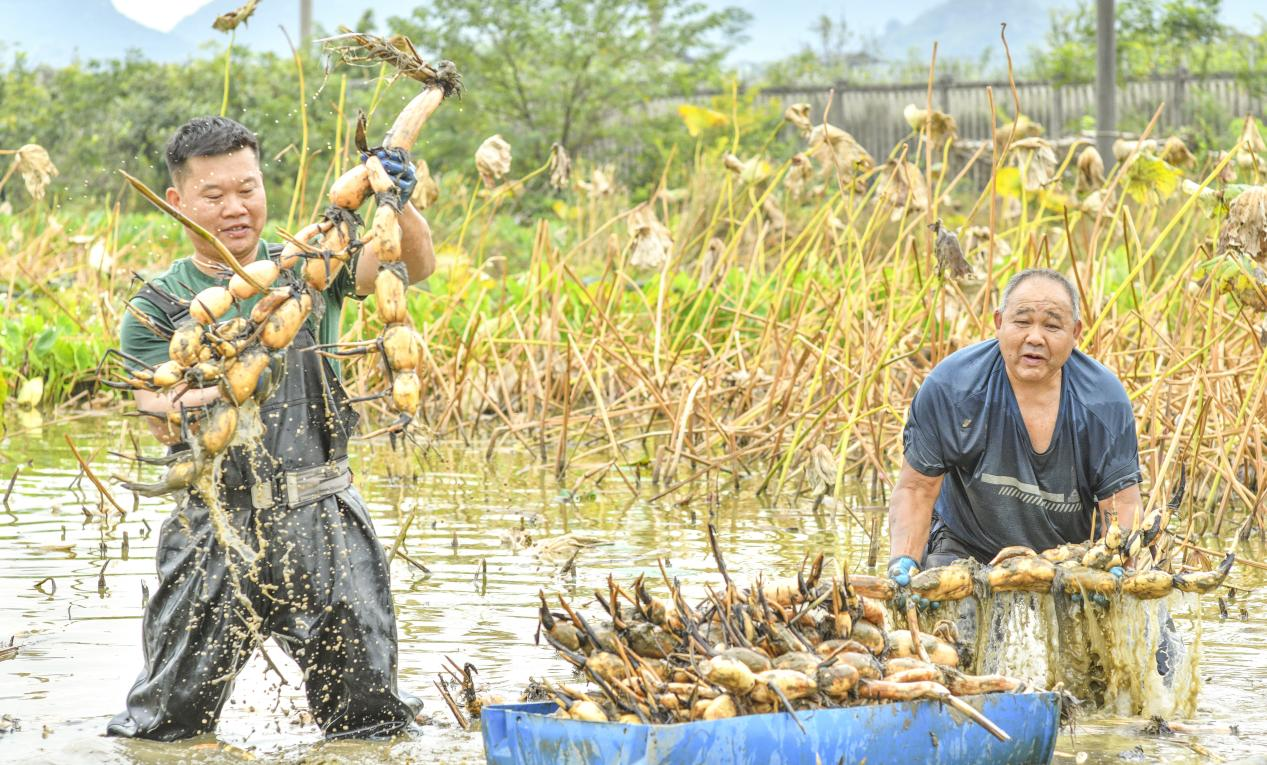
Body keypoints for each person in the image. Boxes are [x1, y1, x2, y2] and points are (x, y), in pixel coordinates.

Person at [108, 116, 435, 740]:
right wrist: (227, 384)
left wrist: (398, 200)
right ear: (178, 202)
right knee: (166, 729)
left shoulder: (312, 265)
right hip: (215, 525)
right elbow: (156, 412)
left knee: (370, 724)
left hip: (326, 519)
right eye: (214, 195)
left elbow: (409, 267)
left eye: (248, 188)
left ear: (264, 186)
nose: (236, 208)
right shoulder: (157, 303)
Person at [887, 268, 1142, 581]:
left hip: (1066, 560)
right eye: (1022, 322)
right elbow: (916, 489)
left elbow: (1121, 503)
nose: (1034, 337)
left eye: (1051, 325)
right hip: (964, 549)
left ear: (1075, 333)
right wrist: (902, 562)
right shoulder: (952, 389)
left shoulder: (1104, 401)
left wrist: (1117, 563)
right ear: (999, 323)